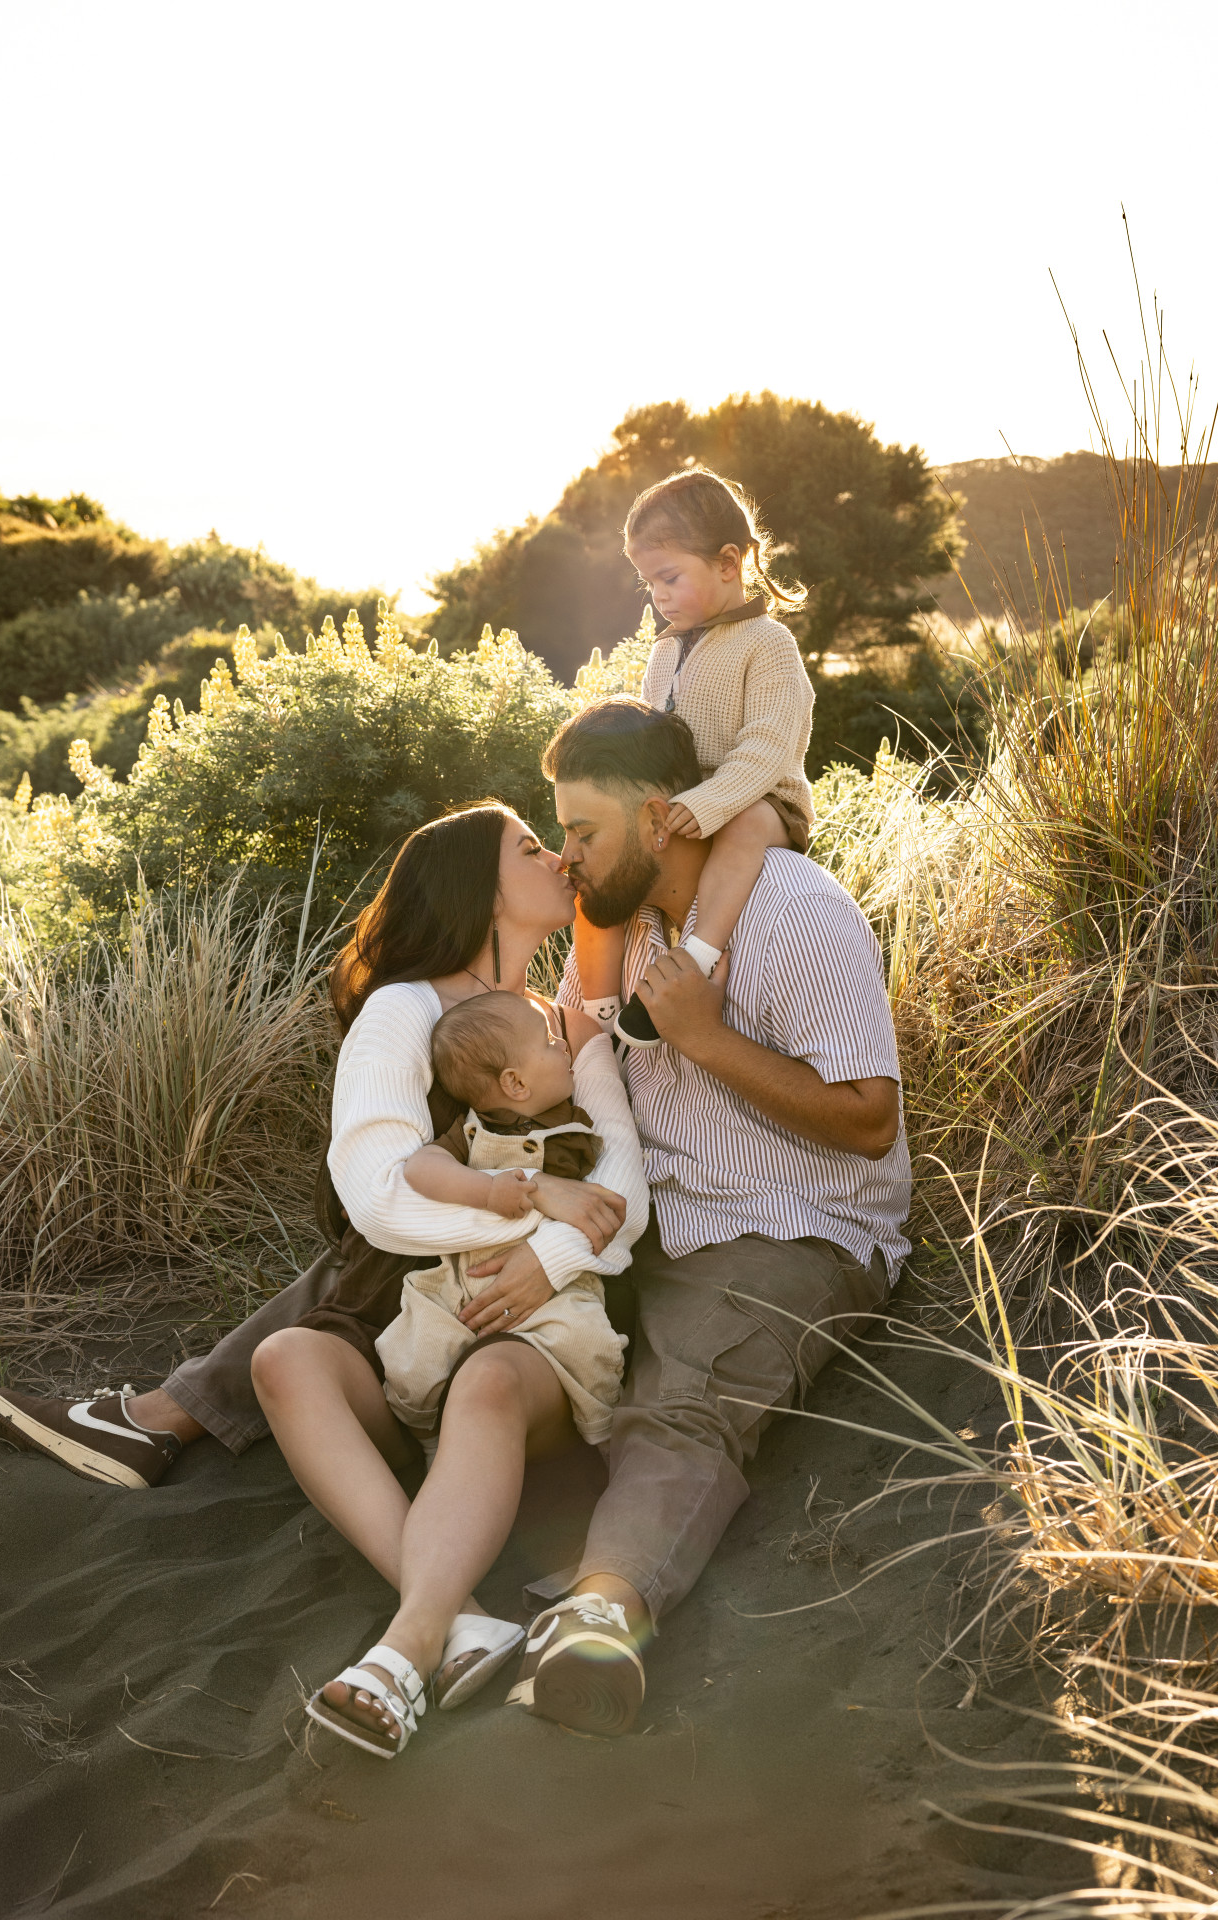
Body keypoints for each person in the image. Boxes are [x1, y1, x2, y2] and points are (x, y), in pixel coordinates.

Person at [0, 802, 647, 1757]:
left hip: (530, 1329)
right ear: (477, 889)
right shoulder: (405, 1010)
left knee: (479, 1375)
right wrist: (532, 1211)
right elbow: (376, 1198)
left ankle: (177, 1433)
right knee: (289, 1358)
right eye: (528, 847)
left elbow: (618, 1177)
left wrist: (552, 1257)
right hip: (409, 1320)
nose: (554, 856)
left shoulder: (551, 1012)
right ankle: (448, 1619)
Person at [505, 696, 911, 1737]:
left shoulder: (793, 912)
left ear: (657, 818)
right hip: (653, 1210)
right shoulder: (620, 928)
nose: (568, 859)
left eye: (582, 834)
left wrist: (704, 1038)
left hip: (788, 1227)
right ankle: (172, 1412)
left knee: (681, 1396)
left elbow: (869, 1123)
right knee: (411, 1254)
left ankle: (601, 1617)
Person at [573, 467, 815, 1050]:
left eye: (669, 577)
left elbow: (767, 746)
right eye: (648, 582)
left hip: (761, 799)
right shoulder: (665, 651)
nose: (657, 596)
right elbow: (649, 736)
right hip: (681, 801)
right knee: (599, 855)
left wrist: (707, 802)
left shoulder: (769, 644)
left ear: (729, 564)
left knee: (743, 827)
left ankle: (697, 956)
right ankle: (599, 1006)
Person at [379, 990, 634, 1446]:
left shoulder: (575, 1129)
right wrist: (489, 1189)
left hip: (552, 1288)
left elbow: (602, 1198)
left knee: (588, 1343)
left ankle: (602, 1438)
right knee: (413, 1355)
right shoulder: (471, 1130)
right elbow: (420, 1168)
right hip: (459, 1280)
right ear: (516, 1083)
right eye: (550, 1041)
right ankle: (425, 1437)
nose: (562, 1046)